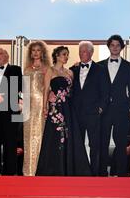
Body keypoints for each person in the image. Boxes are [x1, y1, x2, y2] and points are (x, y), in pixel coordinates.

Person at [36, 46, 92, 176]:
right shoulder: (50, 70)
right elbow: (45, 90)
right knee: (54, 136)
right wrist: (45, 107)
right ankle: (54, 169)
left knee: (69, 136)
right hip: (56, 108)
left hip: (68, 109)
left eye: (67, 55)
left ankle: (70, 168)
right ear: (56, 56)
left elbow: (72, 91)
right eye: (63, 54)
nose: (66, 57)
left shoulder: (70, 72)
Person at [70, 41, 109, 176]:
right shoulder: (72, 69)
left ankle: (95, 173)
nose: (82, 54)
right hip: (77, 113)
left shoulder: (101, 69)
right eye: (80, 51)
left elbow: (105, 91)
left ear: (91, 53)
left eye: (85, 51)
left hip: (93, 113)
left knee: (95, 144)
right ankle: (79, 171)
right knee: (77, 144)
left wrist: (101, 108)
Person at [99, 35, 130, 177]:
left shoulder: (128, 66)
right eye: (112, 45)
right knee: (102, 143)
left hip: (121, 110)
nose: (115, 47)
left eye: (117, 45)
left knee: (121, 144)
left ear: (121, 47)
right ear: (108, 47)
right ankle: (101, 173)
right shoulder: (99, 65)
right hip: (104, 110)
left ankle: (121, 174)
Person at [0, 48, 23, 175]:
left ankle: (10, 173)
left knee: (10, 143)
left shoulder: (16, 69)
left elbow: (18, 86)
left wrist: (3, 97)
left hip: (10, 113)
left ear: (8, 56)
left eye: (2, 53)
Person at [22, 40, 50, 176]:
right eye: (33, 50)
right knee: (28, 137)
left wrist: (46, 106)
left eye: (38, 50)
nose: (36, 53)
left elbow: (47, 89)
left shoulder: (47, 68)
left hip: (41, 104)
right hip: (28, 105)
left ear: (42, 52)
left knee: (40, 135)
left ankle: (39, 170)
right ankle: (28, 171)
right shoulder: (26, 69)